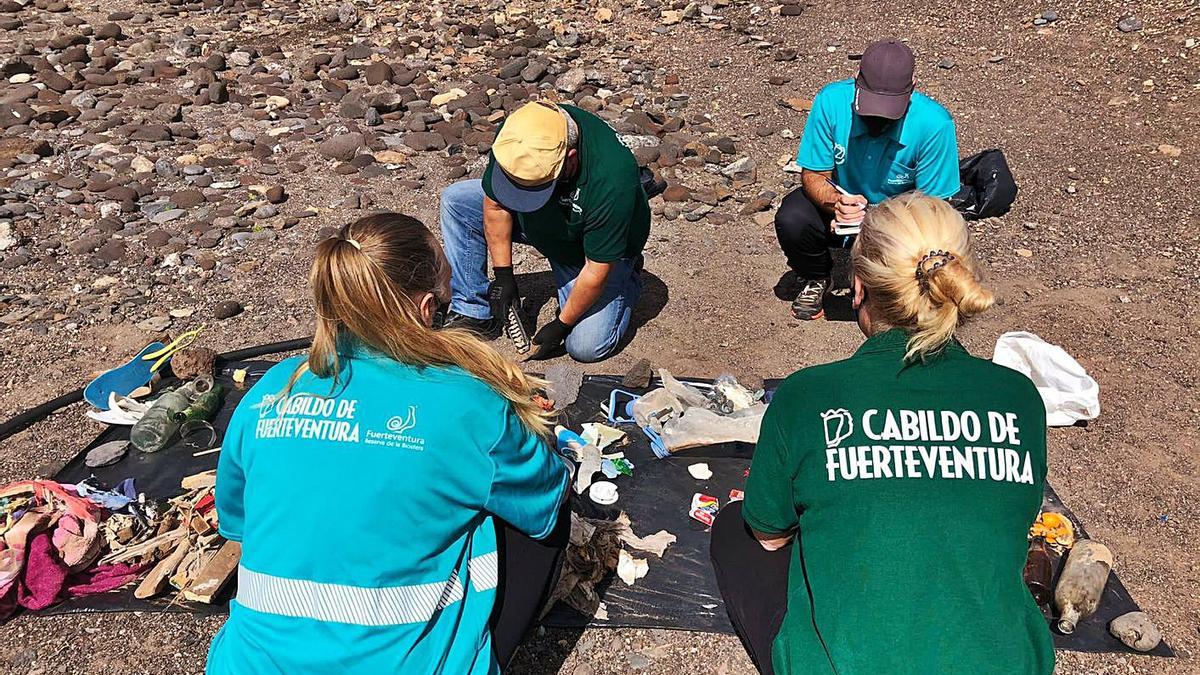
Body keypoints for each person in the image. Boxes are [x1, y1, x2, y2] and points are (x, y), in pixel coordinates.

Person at [206, 213, 572, 674]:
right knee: (537, 505)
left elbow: (237, 524)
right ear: (425, 311)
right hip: (407, 664)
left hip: (248, 665)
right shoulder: (466, 401)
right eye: (443, 305)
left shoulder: (273, 388)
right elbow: (547, 495)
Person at [712, 193, 1054, 675]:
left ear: (858, 288)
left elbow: (769, 535)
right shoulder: (1017, 397)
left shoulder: (810, 394)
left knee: (735, 528)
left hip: (846, 665)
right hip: (1004, 662)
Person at [439, 99, 654, 363]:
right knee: (457, 200)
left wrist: (561, 324)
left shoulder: (611, 178)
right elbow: (494, 204)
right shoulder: (518, 135)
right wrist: (504, 275)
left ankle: (627, 277)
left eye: (538, 187)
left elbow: (596, 270)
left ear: (571, 159)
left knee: (585, 347)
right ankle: (473, 309)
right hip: (546, 222)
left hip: (587, 250)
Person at [776, 40, 962, 320]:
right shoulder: (830, 102)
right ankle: (817, 276)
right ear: (856, 83)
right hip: (842, 212)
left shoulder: (935, 125)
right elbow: (814, 174)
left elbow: (934, 212)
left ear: (912, 89)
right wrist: (836, 201)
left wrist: (876, 234)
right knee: (792, 217)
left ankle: (897, 282)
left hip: (900, 223)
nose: (878, 118)